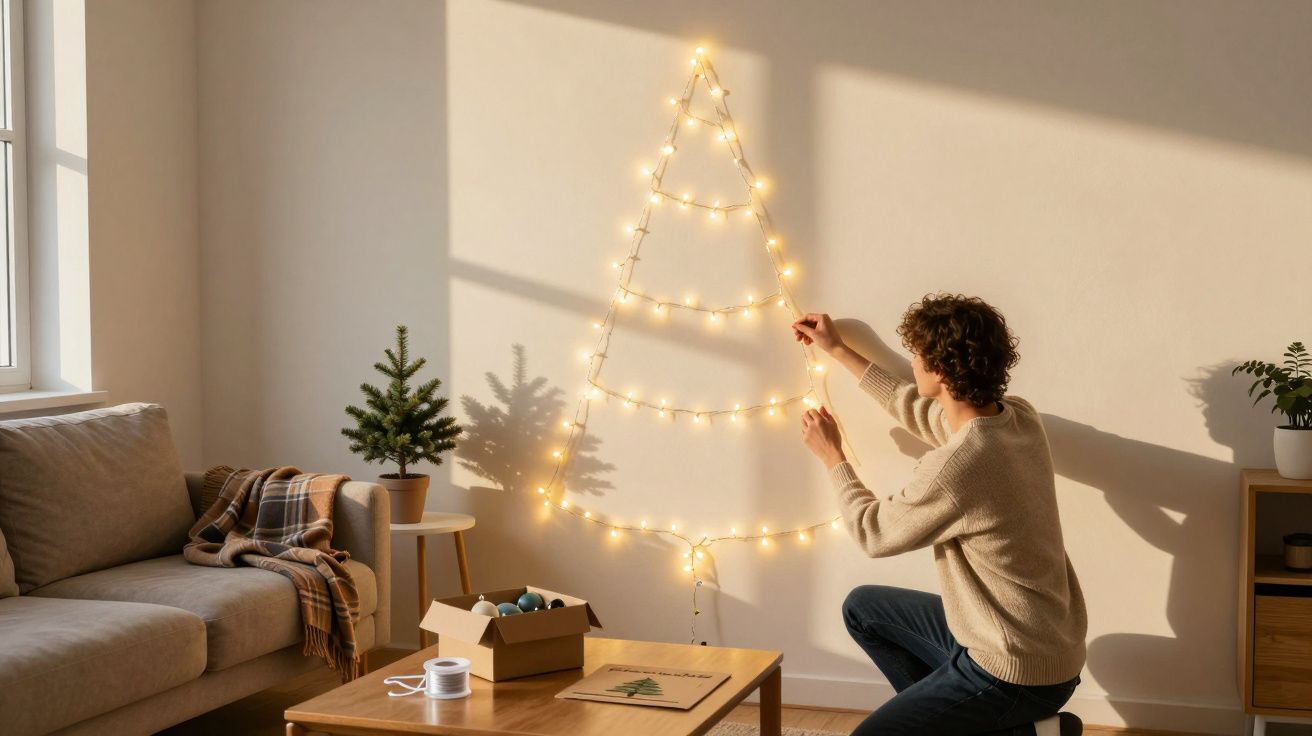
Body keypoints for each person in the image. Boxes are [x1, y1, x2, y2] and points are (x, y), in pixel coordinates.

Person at [792, 294, 1086, 736]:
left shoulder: (958, 467)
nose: (910, 363)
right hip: (1040, 645)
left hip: (1014, 672)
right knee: (863, 609)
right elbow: (923, 411)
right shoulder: (1018, 418)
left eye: (916, 356)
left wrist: (833, 457)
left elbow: (873, 534)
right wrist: (838, 350)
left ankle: (1027, 731)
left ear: (941, 372)